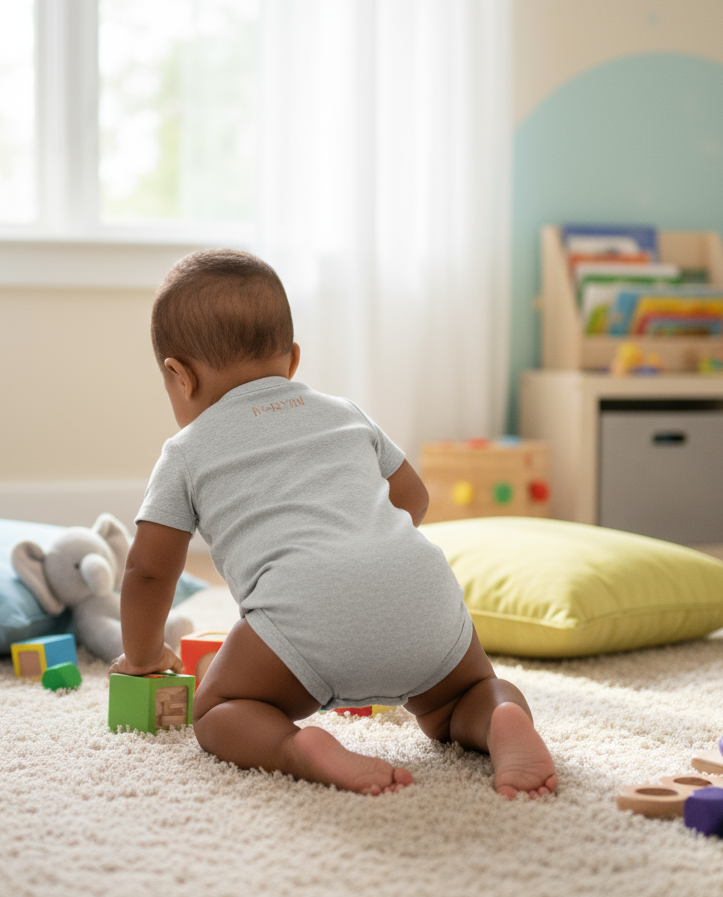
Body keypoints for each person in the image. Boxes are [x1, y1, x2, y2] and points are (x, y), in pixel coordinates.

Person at [110, 249, 557, 798]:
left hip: (303, 616)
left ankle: (298, 748)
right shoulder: (346, 413)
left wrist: (143, 656)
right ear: (293, 359)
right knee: (459, 700)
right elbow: (414, 500)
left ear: (178, 376)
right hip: (422, 593)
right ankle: (501, 720)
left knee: (219, 709)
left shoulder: (185, 451)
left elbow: (149, 573)